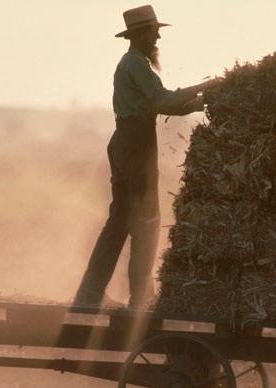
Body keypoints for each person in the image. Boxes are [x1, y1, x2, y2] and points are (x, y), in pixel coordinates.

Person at [73, 5, 215, 309]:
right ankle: (140, 298)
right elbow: (163, 100)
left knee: (119, 222)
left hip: (125, 142)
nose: (158, 38)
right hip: (136, 145)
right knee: (147, 222)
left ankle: (90, 293)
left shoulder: (131, 63)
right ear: (139, 35)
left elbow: (164, 104)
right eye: (154, 32)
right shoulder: (136, 64)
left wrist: (202, 102)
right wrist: (206, 88)